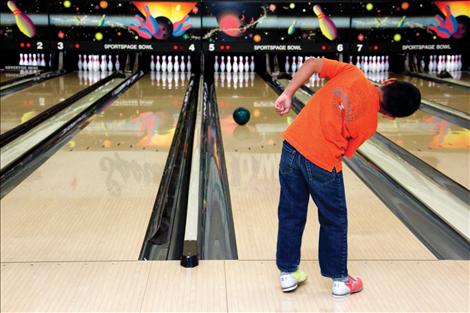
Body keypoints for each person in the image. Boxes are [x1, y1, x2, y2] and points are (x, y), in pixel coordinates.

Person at [274, 58, 421, 296]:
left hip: (292, 146)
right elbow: (345, 151)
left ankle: (287, 274)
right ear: (391, 117)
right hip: (323, 163)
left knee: (291, 212)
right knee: (334, 220)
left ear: (388, 81)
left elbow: (311, 63)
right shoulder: (370, 125)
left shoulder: (351, 72)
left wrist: (288, 93)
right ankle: (340, 280)